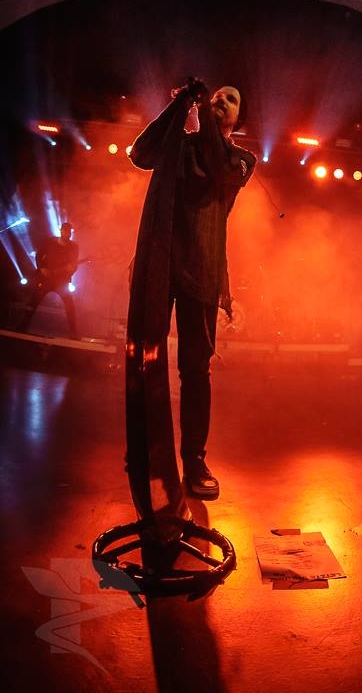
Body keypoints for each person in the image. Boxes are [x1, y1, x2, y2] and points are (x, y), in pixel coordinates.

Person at [128, 79, 256, 500]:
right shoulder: (179, 145)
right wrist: (180, 104)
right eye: (216, 95)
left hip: (202, 268)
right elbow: (140, 154)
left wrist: (201, 120)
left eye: (231, 99)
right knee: (146, 360)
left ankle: (195, 460)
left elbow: (215, 167)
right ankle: (147, 452)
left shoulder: (240, 159)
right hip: (161, 263)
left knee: (195, 370)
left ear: (239, 117)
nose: (220, 100)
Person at [19, 222, 80, 339]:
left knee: (70, 306)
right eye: (65, 231)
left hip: (62, 281)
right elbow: (39, 256)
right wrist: (42, 269)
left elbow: (74, 265)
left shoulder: (74, 247)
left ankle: (73, 333)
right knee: (33, 302)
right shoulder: (50, 241)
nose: (67, 233)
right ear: (61, 231)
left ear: (70, 233)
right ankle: (22, 326)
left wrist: (70, 270)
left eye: (69, 232)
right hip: (46, 279)